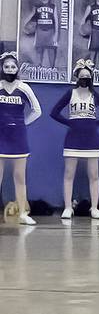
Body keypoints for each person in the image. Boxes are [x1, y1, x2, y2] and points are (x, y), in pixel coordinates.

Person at [50, 59, 99, 221]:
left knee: (94, 174)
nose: (85, 79)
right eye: (82, 76)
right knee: (69, 173)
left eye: (88, 76)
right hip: (73, 138)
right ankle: (67, 207)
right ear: (76, 76)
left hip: (92, 139)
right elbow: (54, 112)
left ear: (91, 78)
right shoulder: (70, 94)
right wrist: (70, 122)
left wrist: (94, 124)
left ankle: (94, 208)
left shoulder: (95, 95)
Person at [0, 52, 42, 225]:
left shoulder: (24, 87)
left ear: (17, 69)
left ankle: (23, 213)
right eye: (6, 66)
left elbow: (37, 110)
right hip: (1, 136)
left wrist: (22, 123)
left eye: (13, 66)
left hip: (18, 136)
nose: (10, 69)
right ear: (2, 68)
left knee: (19, 176)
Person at [23, 0, 59, 71]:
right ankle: (38, 68)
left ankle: (52, 69)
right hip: (39, 30)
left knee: (51, 50)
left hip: (50, 30)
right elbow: (31, 15)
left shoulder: (53, 6)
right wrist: (23, 24)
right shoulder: (37, 6)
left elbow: (56, 21)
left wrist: (56, 34)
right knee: (39, 50)